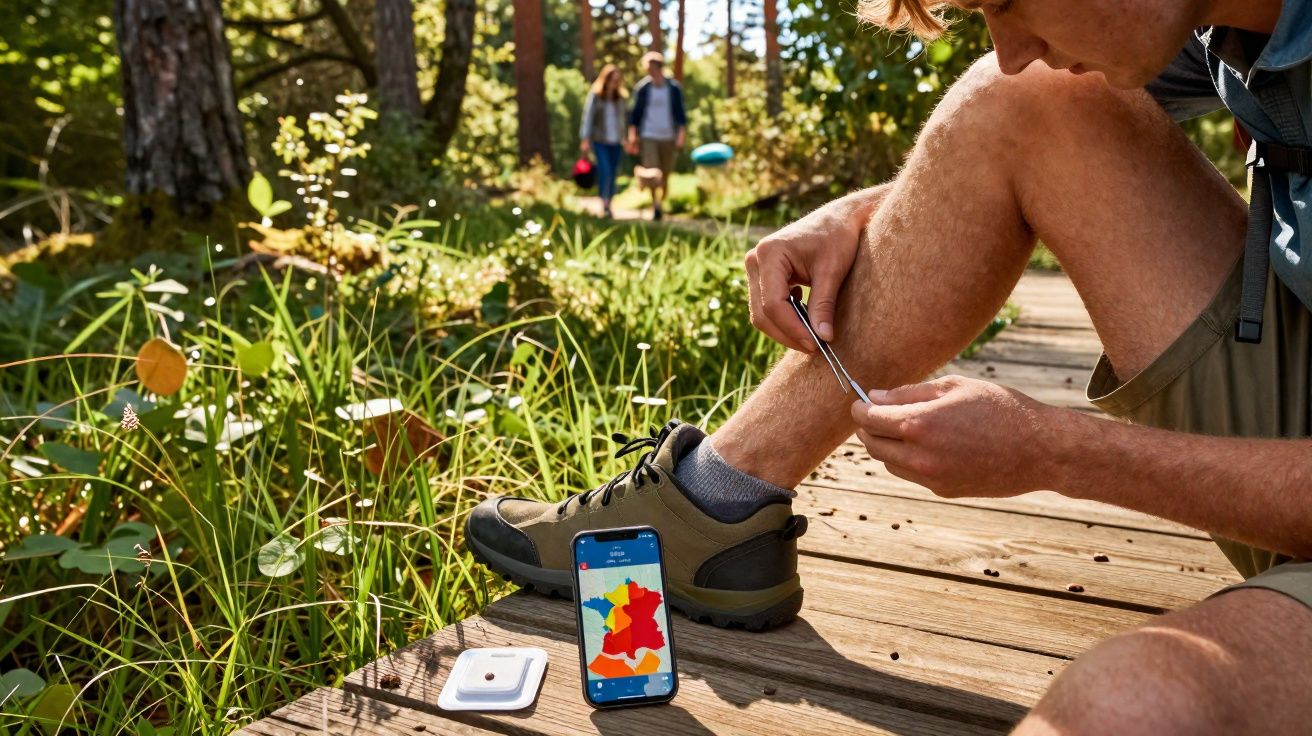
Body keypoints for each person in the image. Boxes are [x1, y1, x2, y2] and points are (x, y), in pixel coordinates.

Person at [468, 0, 1312, 730]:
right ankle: (711, 504)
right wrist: (857, 208)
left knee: (1132, 711)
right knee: (1021, 99)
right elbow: (1007, 119)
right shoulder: (1215, 25)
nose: (1009, 44)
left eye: (1007, 1)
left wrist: (1058, 451)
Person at [626, 51, 687, 221]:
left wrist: (681, 134)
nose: (650, 72)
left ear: (660, 67)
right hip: (648, 134)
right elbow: (635, 115)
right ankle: (656, 206)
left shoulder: (673, 88)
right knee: (653, 171)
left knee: (665, 173)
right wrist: (633, 135)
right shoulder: (643, 88)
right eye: (648, 69)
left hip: (668, 135)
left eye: (653, 68)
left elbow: (681, 114)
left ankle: (662, 198)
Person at [579, 64, 627, 219]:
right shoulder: (596, 95)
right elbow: (588, 117)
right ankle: (604, 202)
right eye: (612, 80)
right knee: (604, 170)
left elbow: (624, 120)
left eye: (617, 80)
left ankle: (610, 202)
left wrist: (626, 138)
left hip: (616, 141)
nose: (614, 83)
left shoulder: (620, 98)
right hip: (600, 140)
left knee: (613, 172)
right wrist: (585, 138)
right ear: (605, 80)